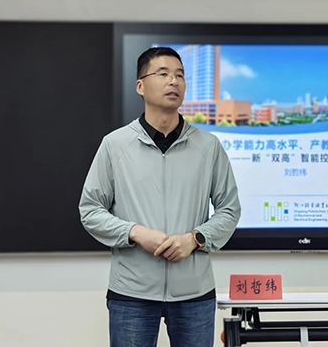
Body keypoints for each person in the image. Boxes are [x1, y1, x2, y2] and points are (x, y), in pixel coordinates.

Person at [79, 47, 241, 347]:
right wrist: (135, 232)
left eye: (180, 75)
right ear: (140, 86)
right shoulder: (115, 145)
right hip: (131, 294)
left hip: (194, 293)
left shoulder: (208, 146)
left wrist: (195, 239)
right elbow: (90, 210)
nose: (174, 81)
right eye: (163, 74)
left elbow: (229, 209)